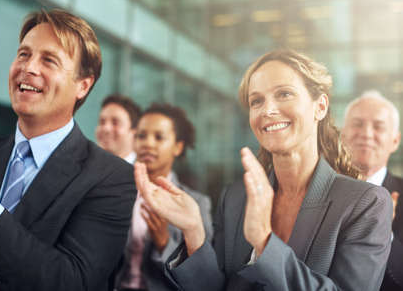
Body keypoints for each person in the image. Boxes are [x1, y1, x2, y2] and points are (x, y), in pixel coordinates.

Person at [135, 50, 393, 291]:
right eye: (256, 101)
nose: (267, 110)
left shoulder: (367, 204)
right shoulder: (236, 199)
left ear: (320, 106)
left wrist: (265, 244)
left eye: (284, 94)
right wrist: (194, 232)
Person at [0, 9, 136, 291]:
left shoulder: (112, 178)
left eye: (48, 60)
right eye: (24, 54)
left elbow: (71, 281)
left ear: (83, 86)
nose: (29, 68)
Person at [116, 103, 212, 291]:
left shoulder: (197, 204)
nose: (148, 143)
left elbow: (203, 276)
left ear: (178, 146)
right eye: (141, 136)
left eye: (159, 137)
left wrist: (164, 243)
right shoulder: (115, 191)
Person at [342, 90, 403, 291]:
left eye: (378, 127)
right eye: (358, 124)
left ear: (395, 141)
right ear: (342, 134)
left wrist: (385, 234)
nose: (366, 134)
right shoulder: (317, 190)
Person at [95, 94, 141, 164]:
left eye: (115, 123)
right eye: (102, 122)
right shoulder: (84, 167)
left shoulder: (149, 171)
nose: (106, 128)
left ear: (134, 131)